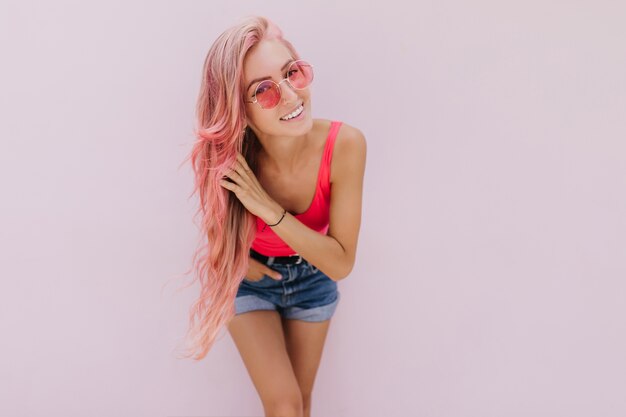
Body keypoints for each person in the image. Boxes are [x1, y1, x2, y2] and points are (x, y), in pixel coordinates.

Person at [181, 15, 366, 417]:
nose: (290, 96)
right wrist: (240, 261)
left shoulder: (346, 144)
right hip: (250, 285)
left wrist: (268, 209)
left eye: (292, 73)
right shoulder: (227, 159)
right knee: (284, 404)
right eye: (263, 90)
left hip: (314, 280)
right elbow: (217, 228)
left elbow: (341, 261)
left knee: (300, 404)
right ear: (238, 109)